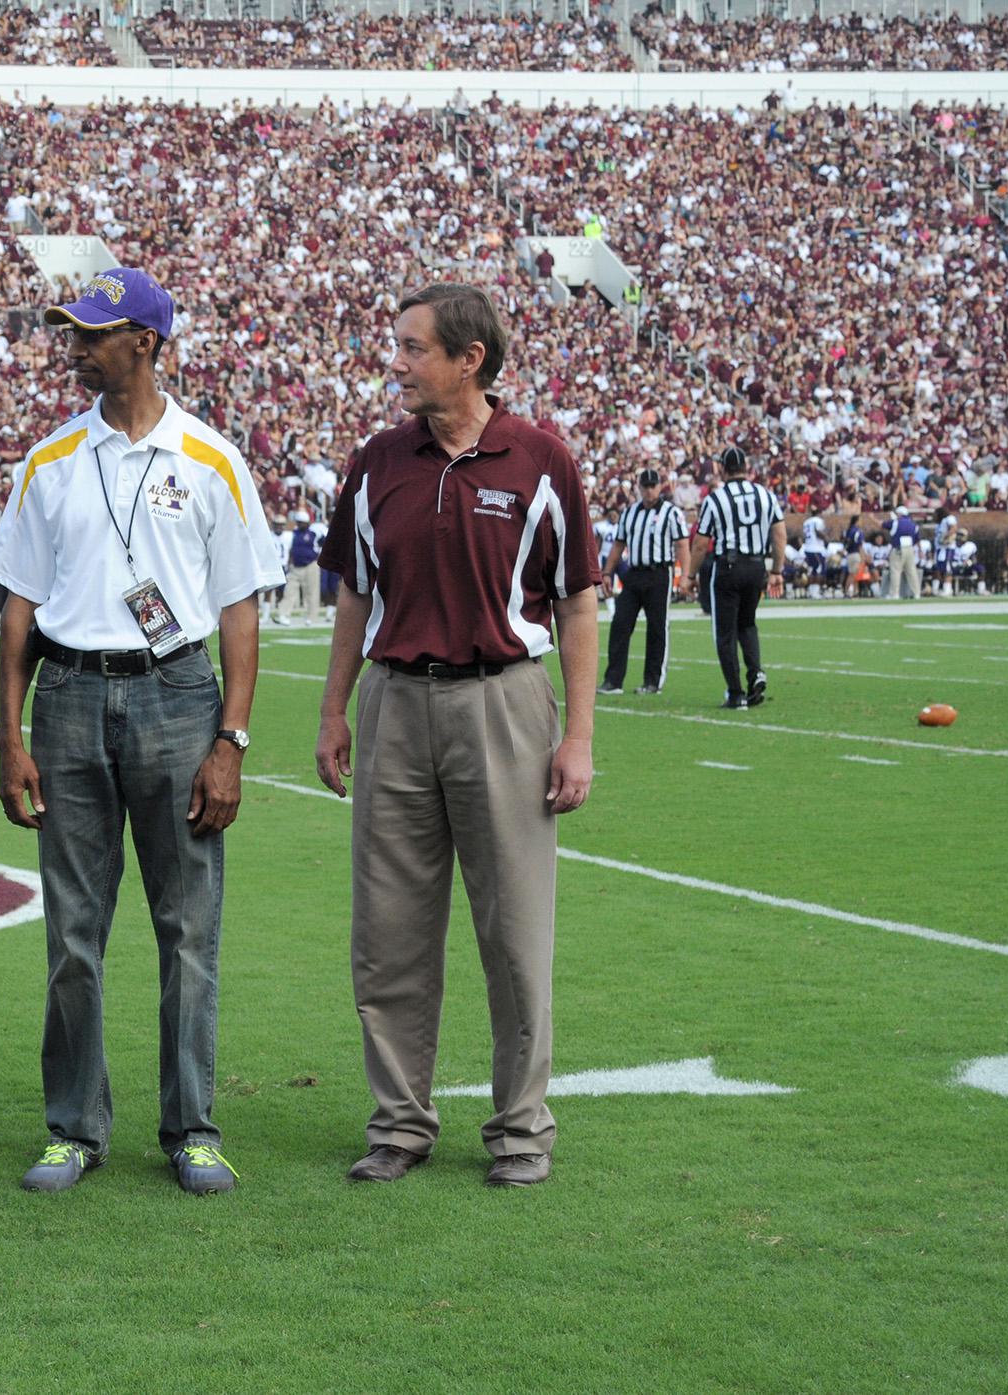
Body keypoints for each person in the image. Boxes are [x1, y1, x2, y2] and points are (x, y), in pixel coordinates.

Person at [0, 268, 280, 1197]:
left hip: (177, 694)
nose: (76, 345)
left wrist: (231, 740)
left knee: (188, 924)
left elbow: (238, 612)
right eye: (73, 330)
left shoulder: (212, 457)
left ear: (145, 342)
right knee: (74, 929)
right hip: (69, 691)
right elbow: (19, 609)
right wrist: (9, 734)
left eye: (95, 331)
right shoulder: (48, 460)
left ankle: (191, 1124)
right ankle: (74, 1125)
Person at [314, 282, 597, 1190]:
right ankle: (399, 1121)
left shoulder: (542, 460)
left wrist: (579, 734)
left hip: (504, 701)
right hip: (394, 703)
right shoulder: (376, 462)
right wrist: (333, 710)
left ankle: (521, 1129)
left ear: (469, 358)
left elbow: (581, 601)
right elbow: (354, 594)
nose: (395, 362)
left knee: (515, 930)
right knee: (388, 929)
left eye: (411, 347)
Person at [694, 445, 785, 710]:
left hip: (729, 567)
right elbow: (779, 535)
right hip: (757, 566)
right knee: (747, 624)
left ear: (723, 468)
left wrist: (690, 575)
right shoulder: (765, 495)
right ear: (746, 468)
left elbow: (701, 543)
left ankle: (736, 693)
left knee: (725, 633)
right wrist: (777, 570)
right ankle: (755, 673)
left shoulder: (716, 499)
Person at [599, 467, 690, 695]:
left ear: (660, 487)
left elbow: (681, 546)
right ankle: (613, 680)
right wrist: (607, 573)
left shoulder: (671, 512)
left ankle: (653, 681)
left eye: (653, 486)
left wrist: (686, 576)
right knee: (620, 624)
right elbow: (619, 544)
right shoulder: (630, 513)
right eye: (645, 486)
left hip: (659, 573)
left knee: (657, 627)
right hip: (634, 573)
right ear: (639, 488)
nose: (649, 491)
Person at [282, 508, 320, 625]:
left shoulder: (314, 533)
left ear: (307, 522)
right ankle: (284, 615)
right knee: (289, 591)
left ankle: (311, 617)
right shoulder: (293, 534)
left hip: (310, 565)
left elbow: (323, 545)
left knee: (311, 593)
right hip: (296, 566)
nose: (299, 524)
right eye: (298, 522)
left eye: (301, 522)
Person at [882, 504, 921, 601]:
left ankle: (894, 594)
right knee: (912, 572)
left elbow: (883, 525)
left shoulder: (895, 522)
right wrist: (920, 551)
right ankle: (916, 593)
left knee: (895, 571)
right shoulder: (913, 524)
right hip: (910, 549)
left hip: (898, 548)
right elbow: (917, 539)